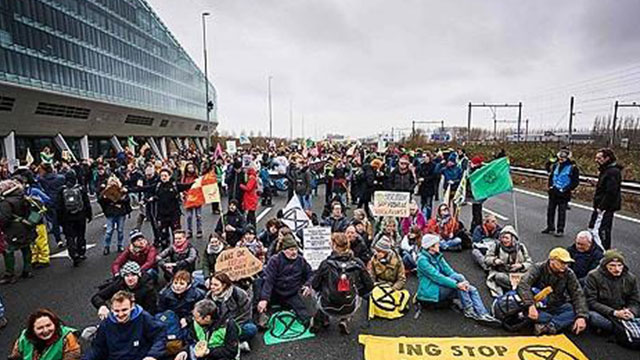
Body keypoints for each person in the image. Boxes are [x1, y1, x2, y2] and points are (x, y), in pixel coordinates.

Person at [416, 234, 498, 324]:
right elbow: (437, 277)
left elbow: (450, 272)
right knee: (460, 285)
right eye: (437, 244)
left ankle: (483, 313)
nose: (439, 245)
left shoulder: (437, 255)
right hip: (430, 292)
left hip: (439, 287)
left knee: (471, 288)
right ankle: (469, 310)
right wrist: (457, 284)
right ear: (431, 247)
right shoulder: (422, 260)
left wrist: (463, 283)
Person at [311, 233, 373, 335]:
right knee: (355, 293)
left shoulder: (325, 264)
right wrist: (356, 291)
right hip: (350, 306)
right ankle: (344, 320)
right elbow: (369, 285)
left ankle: (321, 319)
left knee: (314, 289)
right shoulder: (358, 263)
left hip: (328, 306)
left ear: (334, 246)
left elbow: (315, 285)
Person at [517, 248, 589, 335]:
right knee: (542, 316)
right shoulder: (538, 268)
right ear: (552, 261)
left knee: (574, 311)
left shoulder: (569, 273)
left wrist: (581, 317)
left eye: (567, 263)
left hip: (556, 305)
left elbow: (577, 294)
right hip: (538, 305)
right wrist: (530, 305)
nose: (565, 266)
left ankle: (550, 326)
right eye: (562, 262)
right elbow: (523, 285)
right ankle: (559, 323)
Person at [84, 291, 166, 360]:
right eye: (116, 311)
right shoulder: (106, 323)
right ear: (111, 309)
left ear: (132, 307)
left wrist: (152, 355)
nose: (120, 314)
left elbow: (159, 336)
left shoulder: (144, 317)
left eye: (124, 310)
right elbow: (98, 349)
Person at [257, 234, 313, 327]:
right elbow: (269, 281)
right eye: (291, 250)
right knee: (259, 284)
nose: (294, 252)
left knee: (305, 316)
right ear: (283, 250)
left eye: (295, 249)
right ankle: (260, 316)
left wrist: (308, 285)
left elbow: (310, 274)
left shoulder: (301, 260)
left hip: (292, 292)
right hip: (275, 292)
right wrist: (264, 299)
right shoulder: (275, 260)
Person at [585, 249, 640, 334]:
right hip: (604, 312)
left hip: (623, 310)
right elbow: (591, 302)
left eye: (619, 265)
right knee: (594, 318)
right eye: (612, 265)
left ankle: (620, 327)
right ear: (605, 266)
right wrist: (614, 313)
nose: (617, 269)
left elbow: (634, 300)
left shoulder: (630, 278)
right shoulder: (593, 276)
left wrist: (631, 312)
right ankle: (622, 327)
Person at [174, 299, 239, 360]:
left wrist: (208, 352)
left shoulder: (229, 325)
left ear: (207, 318)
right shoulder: (195, 323)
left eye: (197, 317)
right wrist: (184, 351)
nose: (193, 319)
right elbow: (190, 341)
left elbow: (231, 351)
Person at [207, 272, 256, 349]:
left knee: (250, 329)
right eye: (211, 284)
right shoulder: (209, 297)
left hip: (238, 323)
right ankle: (235, 344)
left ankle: (227, 343)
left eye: (216, 285)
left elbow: (245, 314)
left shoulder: (238, 293)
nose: (212, 287)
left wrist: (232, 328)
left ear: (224, 285)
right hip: (219, 327)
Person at [0, 179, 36, 284]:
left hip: (12, 229)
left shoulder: (5, 202)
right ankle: (27, 270)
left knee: (8, 251)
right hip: (26, 226)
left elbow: (4, 218)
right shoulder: (23, 197)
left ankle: (10, 274)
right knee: (26, 248)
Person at [9, 308, 80, 360]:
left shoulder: (67, 338)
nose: (45, 331)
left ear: (55, 324)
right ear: (32, 329)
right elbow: (15, 357)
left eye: (48, 325)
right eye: (40, 328)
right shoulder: (24, 337)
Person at [92, 262, 158, 317]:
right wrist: (102, 306)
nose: (130, 278)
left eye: (133, 275)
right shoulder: (119, 284)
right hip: (120, 314)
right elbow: (97, 297)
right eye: (127, 275)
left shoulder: (148, 289)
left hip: (139, 317)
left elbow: (150, 312)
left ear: (139, 276)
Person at [483, 226, 533, 297]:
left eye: (506, 238)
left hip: (519, 273)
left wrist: (521, 265)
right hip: (503, 273)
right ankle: (519, 288)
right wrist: (495, 260)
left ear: (512, 238)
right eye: (502, 237)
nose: (504, 240)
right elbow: (486, 259)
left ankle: (517, 287)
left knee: (530, 277)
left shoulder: (521, 247)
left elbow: (529, 262)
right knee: (498, 277)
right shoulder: (496, 246)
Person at [588, 148, 623, 250]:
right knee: (592, 228)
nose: (596, 160)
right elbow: (606, 187)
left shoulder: (612, 172)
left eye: (599, 158)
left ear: (607, 158)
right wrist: (597, 183)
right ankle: (596, 253)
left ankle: (603, 254)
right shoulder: (606, 170)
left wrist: (601, 207)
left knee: (599, 231)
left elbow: (611, 192)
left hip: (604, 208)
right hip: (601, 206)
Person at [541, 149, 580, 237]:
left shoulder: (573, 168)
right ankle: (550, 227)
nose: (561, 159)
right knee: (550, 211)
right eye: (560, 157)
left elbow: (575, 182)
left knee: (561, 212)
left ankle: (560, 230)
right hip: (553, 192)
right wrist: (550, 186)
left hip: (564, 193)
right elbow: (551, 176)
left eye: (563, 158)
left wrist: (566, 189)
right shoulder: (555, 165)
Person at [57, 170, 92, 267]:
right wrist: (89, 215)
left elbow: (58, 206)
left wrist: (59, 219)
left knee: (69, 236)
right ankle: (81, 252)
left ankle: (73, 253)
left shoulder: (61, 190)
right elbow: (86, 202)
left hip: (67, 217)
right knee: (81, 234)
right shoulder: (80, 188)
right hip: (80, 215)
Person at [97, 176, 130, 255]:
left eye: (114, 182)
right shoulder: (106, 191)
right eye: (111, 182)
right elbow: (100, 200)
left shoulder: (122, 190)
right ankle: (106, 246)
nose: (113, 184)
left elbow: (127, 200)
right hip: (110, 213)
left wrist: (120, 198)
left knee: (120, 230)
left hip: (120, 212)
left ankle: (120, 245)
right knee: (109, 231)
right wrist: (104, 197)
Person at [37, 163, 65, 247]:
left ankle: (58, 240)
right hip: (61, 201)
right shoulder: (61, 177)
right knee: (64, 219)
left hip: (49, 201)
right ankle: (68, 236)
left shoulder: (41, 179)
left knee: (54, 222)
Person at [182, 163, 203, 239]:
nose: (190, 169)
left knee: (198, 216)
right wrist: (185, 194)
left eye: (192, 167)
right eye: (189, 168)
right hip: (188, 198)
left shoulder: (197, 177)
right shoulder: (184, 178)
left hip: (197, 199)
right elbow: (182, 186)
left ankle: (199, 231)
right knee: (189, 216)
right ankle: (189, 231)